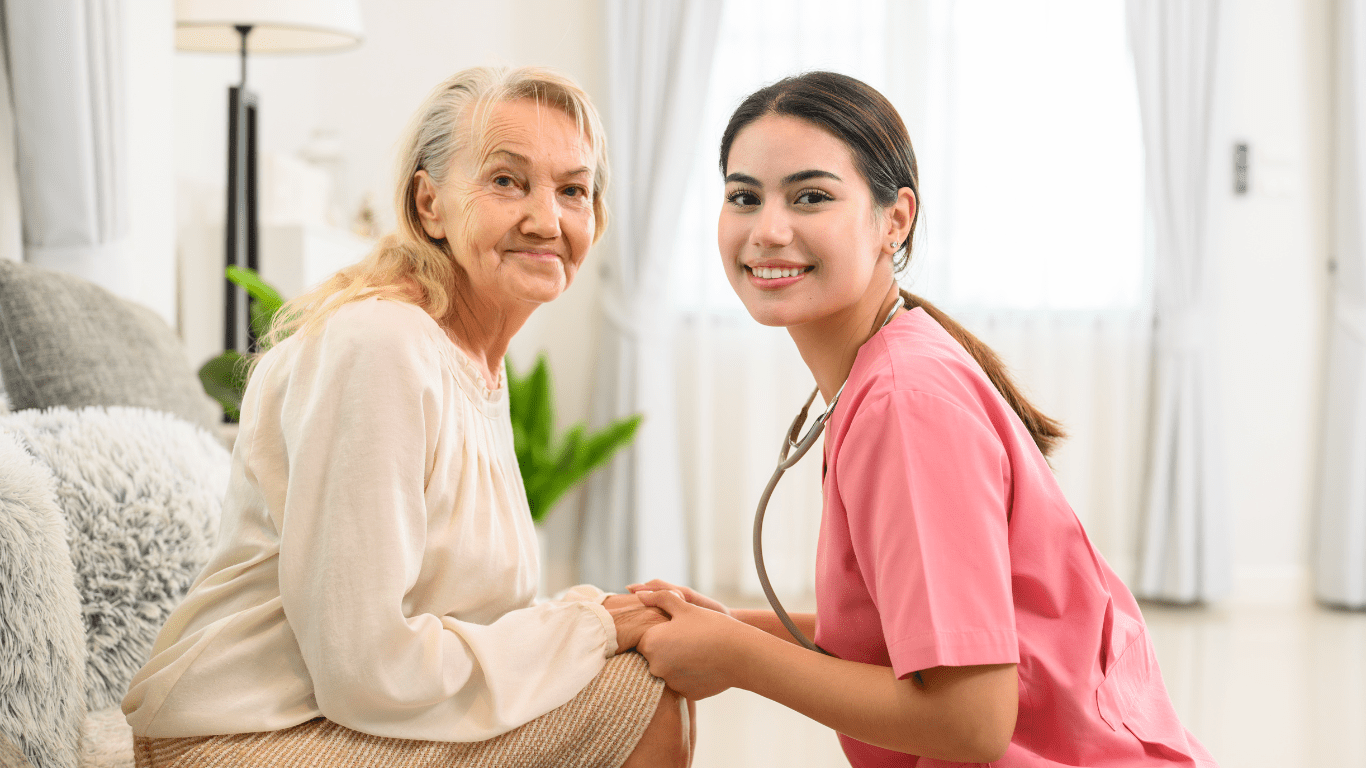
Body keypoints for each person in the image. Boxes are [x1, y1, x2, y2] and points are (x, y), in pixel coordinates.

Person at [630, 71, 1217, 767]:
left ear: (894, 220)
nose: (769, 229)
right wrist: (727, 627)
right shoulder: (892, 366)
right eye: (743, 197)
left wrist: (737, 658)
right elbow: (909, 636)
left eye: (810, 196)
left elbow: (970, 721)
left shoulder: (904, 403)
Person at [122, 66, 692, 768]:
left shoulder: (473, 358)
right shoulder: (383, 345)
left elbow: (461, 614)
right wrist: (588, 629)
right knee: (639, 693)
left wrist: (599, 617)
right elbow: (363, 664)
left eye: (573, 189)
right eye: (507, 181)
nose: (547, 220)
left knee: (642, 670)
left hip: (346, 715)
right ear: (429, 204)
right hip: (245, 735)